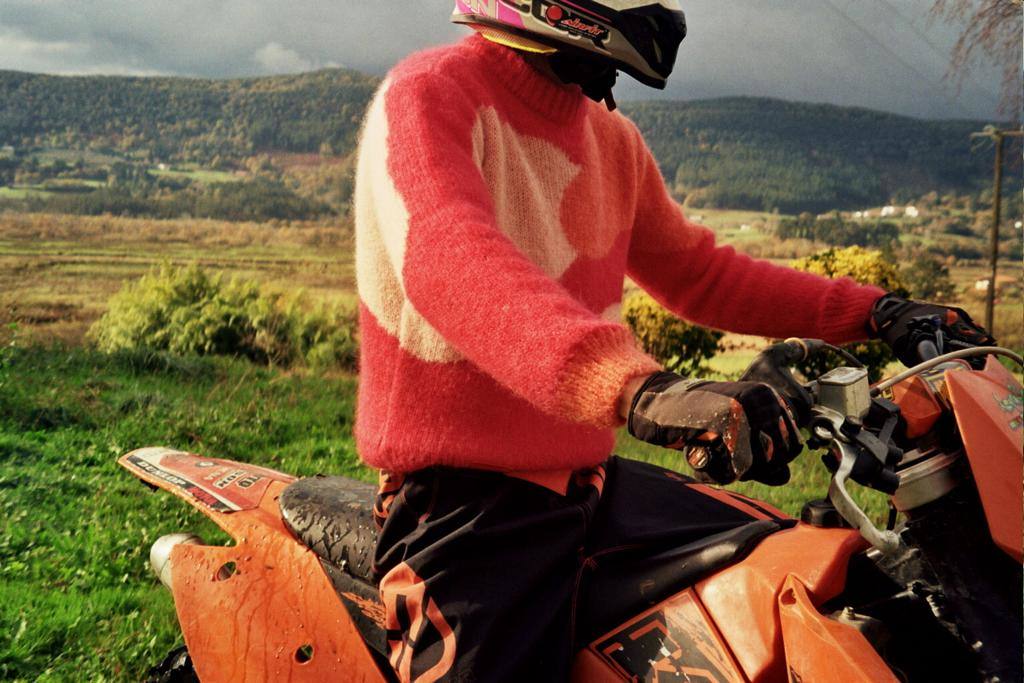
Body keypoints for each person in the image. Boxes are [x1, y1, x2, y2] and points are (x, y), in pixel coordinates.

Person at [352, 2, 994, 680]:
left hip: (589, 487)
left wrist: (877, 311)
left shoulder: (608, 137)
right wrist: (642, 389)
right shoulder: (429, 95)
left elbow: (700, 272)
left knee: (817, 587)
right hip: (464, 502)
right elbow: (450, 262)